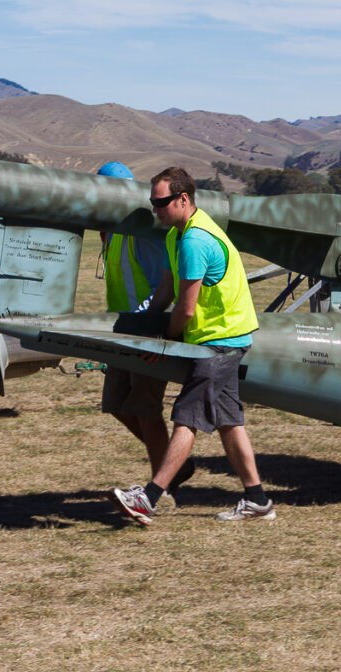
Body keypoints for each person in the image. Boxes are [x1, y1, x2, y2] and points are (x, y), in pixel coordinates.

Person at [109, 166, 272, 525]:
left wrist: (165, 341)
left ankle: (148, 499)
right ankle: (257, 499)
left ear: (183, 199)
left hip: (220, 340)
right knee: (229, 422)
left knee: (186, 418)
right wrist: (147, 323)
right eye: (152, 203)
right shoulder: (176, 234)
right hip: (219, 338)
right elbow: (166, 287)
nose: (155, 210)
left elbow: (185, 307)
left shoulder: (196, 241)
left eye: (161, 203)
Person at [96, 162, 193, 510]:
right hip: (124, 333)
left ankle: (161, 490)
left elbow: (162, 287)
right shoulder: (113, 232)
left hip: (145, 334)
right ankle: (174, 464)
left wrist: (154, 332)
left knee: (145, 409)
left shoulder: (142, 232)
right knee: (116, 405)